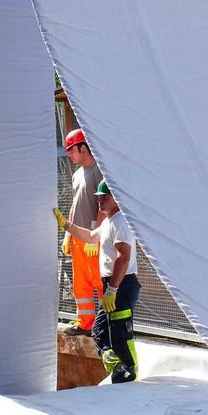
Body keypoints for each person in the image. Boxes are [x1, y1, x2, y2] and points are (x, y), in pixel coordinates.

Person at [54, 179, 140, 383]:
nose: (100, 201)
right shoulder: (109, 222)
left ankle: (130, 372)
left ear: (116, 198)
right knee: (100, 330)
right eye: (99, 197)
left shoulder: (120, 223)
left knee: (120, 332)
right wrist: (67, 225)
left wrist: (112, 289)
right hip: (114, 284)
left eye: (104, 197)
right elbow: (91, 236)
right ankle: (118, 369)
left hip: (122, 284)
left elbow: (123, 257)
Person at [61, 128, 104, 336]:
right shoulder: (77, 175)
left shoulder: (99, 172)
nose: (69, 154)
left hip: (93, 239)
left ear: (83, 148)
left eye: (71, 149)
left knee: (100, 282)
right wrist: (68, 234)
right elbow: (75, 205)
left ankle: (106, 325)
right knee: (81, 284)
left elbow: (103, 207)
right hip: (79, 239)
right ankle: (86, 324)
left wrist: (94, 236)